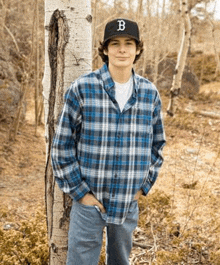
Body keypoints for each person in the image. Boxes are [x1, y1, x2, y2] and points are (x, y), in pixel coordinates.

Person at [51, 18, 166, 265]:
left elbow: (158, 146)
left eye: (128, 43)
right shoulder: (83, 88)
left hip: (127, 201)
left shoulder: (149, 93)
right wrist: (81, 194)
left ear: (137, 49)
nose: (122, 49)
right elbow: (62, 146)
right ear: (104, 49)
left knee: (120, 261)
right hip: (88, 203)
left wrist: (142, 187)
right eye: (115, 43)